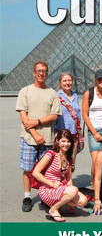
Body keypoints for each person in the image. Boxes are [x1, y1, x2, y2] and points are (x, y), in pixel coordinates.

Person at [16, 60, 62, 212]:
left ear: (47, 73)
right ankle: (27, 197)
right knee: (28, 169)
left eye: (44, 70)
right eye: (39, 70)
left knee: (45, 170)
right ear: (34, 73)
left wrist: (36, 121)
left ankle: (44, 196)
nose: (41, 73)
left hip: (47, 139)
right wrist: (35, 134)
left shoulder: (52, 93)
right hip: (29, 138)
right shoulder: (25, 91)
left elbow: (54, 116)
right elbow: (23, 116)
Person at [33, 129, 87, 222]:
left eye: (68, 141)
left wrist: (71, 201)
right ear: (57, 141)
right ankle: (54, 209)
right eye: (63, 141)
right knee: (73, 190)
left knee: (83, 201)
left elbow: (69, 179)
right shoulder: (51, 154)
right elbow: (35, 172)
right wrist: (52, 183)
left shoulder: (68, 157)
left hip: (60, 188)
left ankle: (60, 204)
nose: (66, 144)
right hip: (47, 189)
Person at [54, 73, 82, 171]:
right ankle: (61, 182)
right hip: (62, 133)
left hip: (74, 134)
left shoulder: (75, 95)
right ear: (60, 82)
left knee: (71, 160)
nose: (67, 83)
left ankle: (69, 181)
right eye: (64, 81)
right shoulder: (56, 96)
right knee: (60, 159)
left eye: (69, 80)